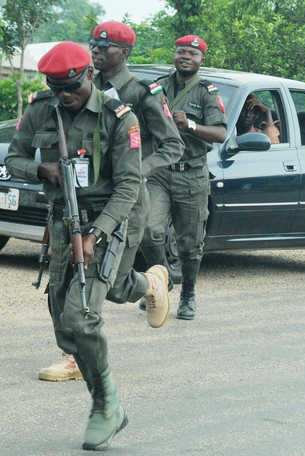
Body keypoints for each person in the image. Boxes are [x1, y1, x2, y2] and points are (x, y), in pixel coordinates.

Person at [5, 42, 164, 449]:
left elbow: (129, 185)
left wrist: (98, 234)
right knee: (66, 308)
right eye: (56, 87)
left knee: (82, 314)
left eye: (71, 87)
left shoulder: (119, 117)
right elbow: (15, 158)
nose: (64, 96)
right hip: (63, 218)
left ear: (88, 76)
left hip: (116, 216)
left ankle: (106, 405)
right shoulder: (43, 108)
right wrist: (41, 168)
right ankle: (149, 284)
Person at [37, 20, 183, 383]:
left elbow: (172, 145)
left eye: (107, 46)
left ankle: (148, 285)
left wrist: (133, 171)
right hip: (82, 203)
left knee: (109, 283)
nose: (98, 51)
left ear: (126, 52)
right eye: (94, 45)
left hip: (126, 204)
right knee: (84, 279)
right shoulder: (81, 89)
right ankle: (76, 352)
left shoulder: (143, 93)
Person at [140, 35, 227, 320]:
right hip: (160, 173)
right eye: (181, 52)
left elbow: (220, 134)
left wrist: (189, 124)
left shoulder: (206, 92)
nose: (185, 57)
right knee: (149, 231)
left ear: (201, 59)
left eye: (192, 53)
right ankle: (161, 282)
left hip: (192, 175)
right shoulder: (159, 87)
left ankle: (188, 294)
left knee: (189, 245)